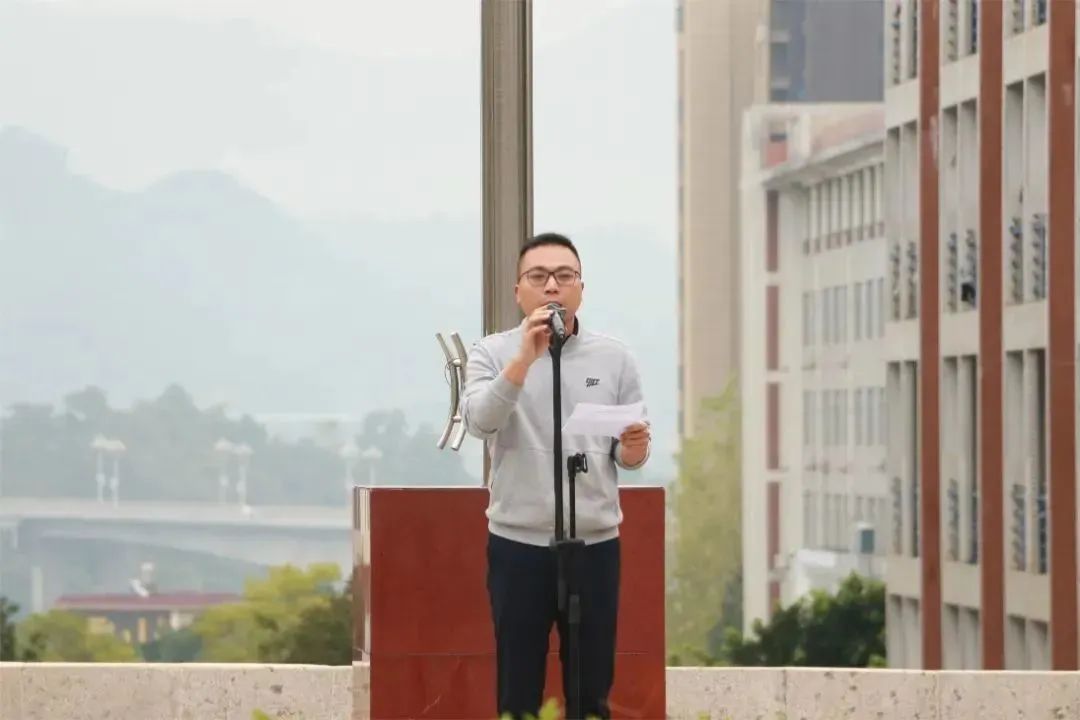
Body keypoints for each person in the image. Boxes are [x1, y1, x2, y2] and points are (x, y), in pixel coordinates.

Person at [461, 232, 651, 719]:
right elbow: (480, 422)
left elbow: (624, 450)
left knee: (591, 694)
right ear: (518, 290)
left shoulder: (614, 358)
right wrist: (523, 359)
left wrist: (634, 450)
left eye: (564, 276)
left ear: (581, 288)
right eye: (539, 276)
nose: (552, 286)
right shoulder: (491, 353)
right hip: (517, 544)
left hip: (594, 545)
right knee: (518, 691)